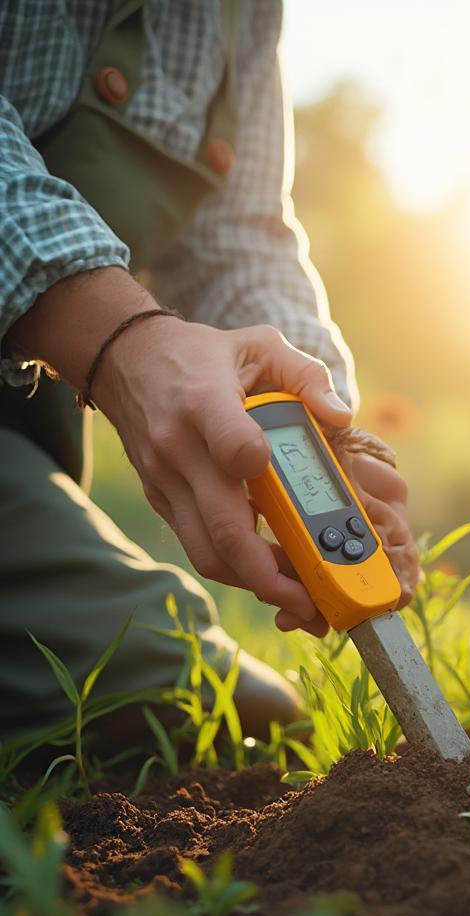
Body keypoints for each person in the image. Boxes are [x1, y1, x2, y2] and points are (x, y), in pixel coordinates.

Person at [0, 1, 419, 745]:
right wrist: (121, 338)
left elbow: (235, 241)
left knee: (235, 712)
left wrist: (321, 429)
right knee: (143, 685)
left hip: (28, 424)